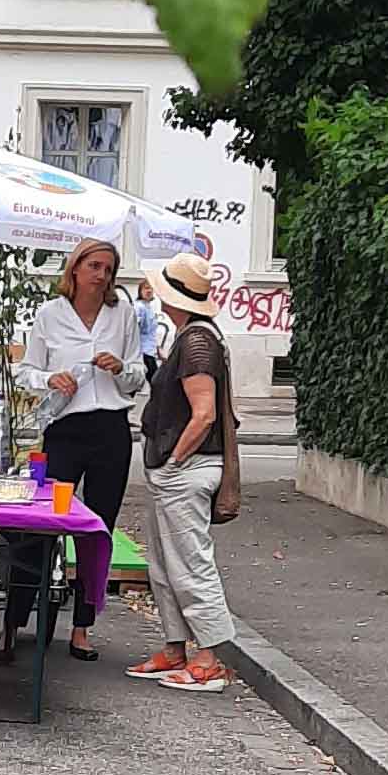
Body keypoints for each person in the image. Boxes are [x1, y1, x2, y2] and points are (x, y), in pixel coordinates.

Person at [5, 239, 146, 661]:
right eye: (94, 266)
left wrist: (121, 369)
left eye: (108, 268)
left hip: (110, 428)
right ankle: (14, 623)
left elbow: (139, 374)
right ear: (75, 269)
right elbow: (25, 371)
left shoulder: (122, 315)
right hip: (65, 426)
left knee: (97, 529)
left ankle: (82, 626)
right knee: (40, 525)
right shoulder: (51, 314)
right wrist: (50, 378)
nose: (101, 275)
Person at [131, 252, 237, 693]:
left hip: (186, 469)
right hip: (180, 467)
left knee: (190, 564)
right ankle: (176, 647)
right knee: (165, 564)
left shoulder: (195, 342)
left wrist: (175, 458)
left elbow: (205, 413)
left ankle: (209, 659)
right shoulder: (193, 336)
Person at [135, 278, 163, 381]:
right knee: (155, 381)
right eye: (146, 288)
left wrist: (158, 350)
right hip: (143, 352)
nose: (149, 291)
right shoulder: (139, 307)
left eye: (151, 288)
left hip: (149, 351)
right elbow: (134, 329)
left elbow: (151, 333)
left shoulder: (148, 307)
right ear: (140, 291)